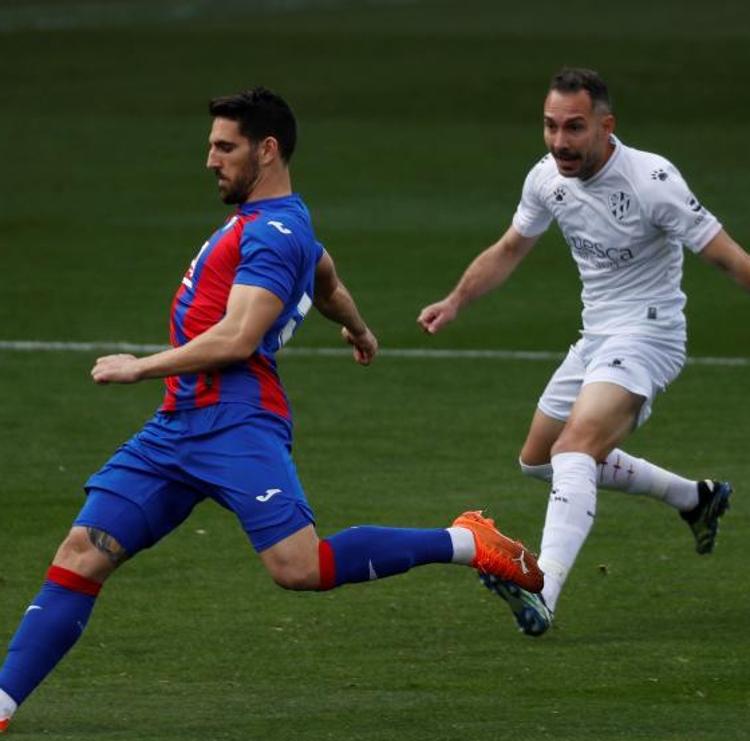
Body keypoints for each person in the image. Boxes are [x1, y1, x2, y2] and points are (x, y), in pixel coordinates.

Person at [0, 87, 543, 732]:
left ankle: (465, 541)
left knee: (299, 568)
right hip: (176, 426)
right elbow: (327, 277)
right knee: (83, 551)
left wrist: (138, 365)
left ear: (267, 150)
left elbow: (238, 339)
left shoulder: (275, 234)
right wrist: (359, 328)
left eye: (224, 147)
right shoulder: (281, 225)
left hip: (236, 423)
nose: (210, 160)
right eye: (210, 146)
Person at [418, 68, 750, 637]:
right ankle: (695, 499)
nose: (559, 142)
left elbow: (727, 258)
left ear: (605, 125)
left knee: (577, 444)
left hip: (649, 336)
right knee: (539, 459)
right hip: (596, 336)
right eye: (550, 126)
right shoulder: (546, 178)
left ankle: (544, 588)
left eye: (574, 127)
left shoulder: (652, 180)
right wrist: (455, 301)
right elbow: (509, 248)